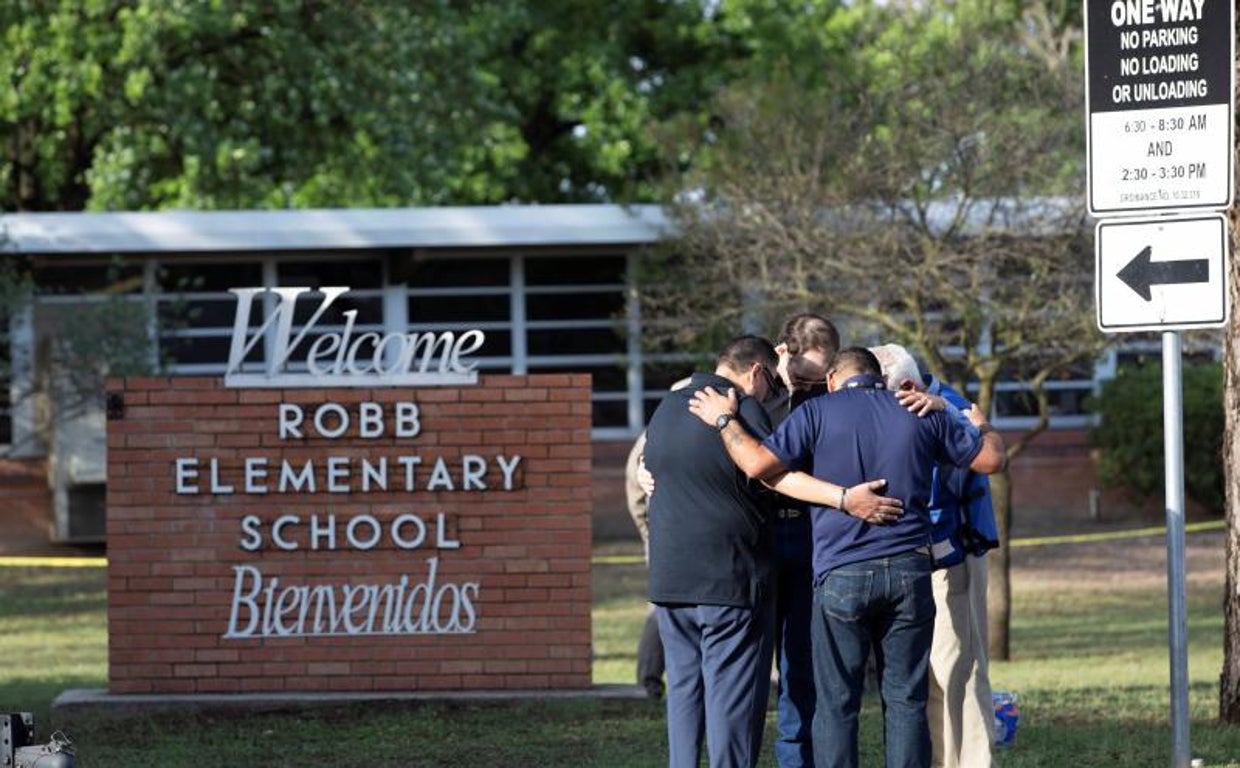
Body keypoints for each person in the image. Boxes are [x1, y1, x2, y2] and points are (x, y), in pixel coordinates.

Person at [686, 347, 1006, 768]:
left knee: (837, 701)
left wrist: (724, 420)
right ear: (880, 377)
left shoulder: (817, 412)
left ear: (834, 378)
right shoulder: (919, 409)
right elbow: (992, 459)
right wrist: (981, 425)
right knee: (907, 698)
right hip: (911, 570)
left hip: (842, 574)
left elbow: (756, 463)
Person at [645, 336, 902, 768]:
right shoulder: (742, 409)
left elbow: (650, 466)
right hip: (728, 580)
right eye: (769, 387)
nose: (769, 397)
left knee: (685, 695)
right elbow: (774, 474)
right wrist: (843, 498)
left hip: (670, 581)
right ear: (757, 374)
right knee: (734, 701)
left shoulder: (666, 407)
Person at [870, 344, 1000, 768]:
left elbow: (988, 458)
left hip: (951, 555)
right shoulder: (911, 406)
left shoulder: (951, 409)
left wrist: (948, 412)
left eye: (881, 394)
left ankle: (969, 761)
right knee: (921, 673)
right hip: (905, 555)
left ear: (907, 387)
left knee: (956, 667)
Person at [763, 313, 839, 768]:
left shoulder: (832, 396)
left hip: (815, 536)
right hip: (764, 536)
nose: (812, 385)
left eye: (821, 377)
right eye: (804, 376)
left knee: (802, 662)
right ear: (782, 354)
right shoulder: (758, 395)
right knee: (753, 659)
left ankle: (798, 758)